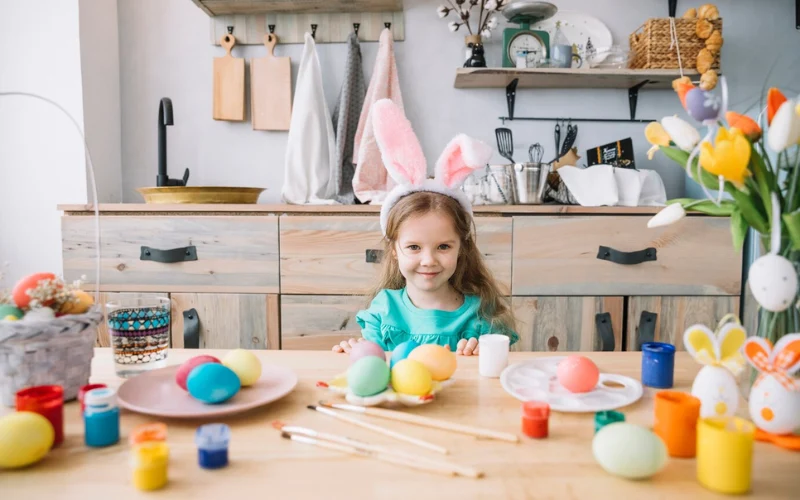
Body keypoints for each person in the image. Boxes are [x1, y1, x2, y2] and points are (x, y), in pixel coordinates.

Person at [332, 99, 518, 356]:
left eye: (443, 246)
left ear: (461, 247)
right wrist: (354, 353)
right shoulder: (383, 311)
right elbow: (371, 366)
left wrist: (483, 356)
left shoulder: (480, 317)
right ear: (395, 249)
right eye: (414, 247)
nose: (428, 260)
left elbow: (497, 376)